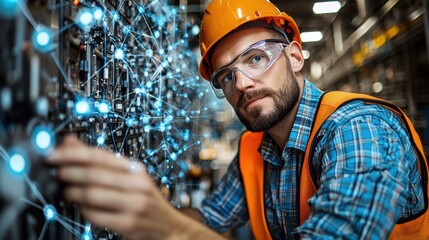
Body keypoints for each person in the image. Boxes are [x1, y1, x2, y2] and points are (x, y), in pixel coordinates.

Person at [47, 0, 429, 239]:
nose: (242, 83)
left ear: (295, 57)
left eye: (256, 58)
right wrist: (133, 214)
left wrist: (168, 228)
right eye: (226, 76)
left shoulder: (357, 128)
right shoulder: (256, 147)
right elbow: (210, 217)